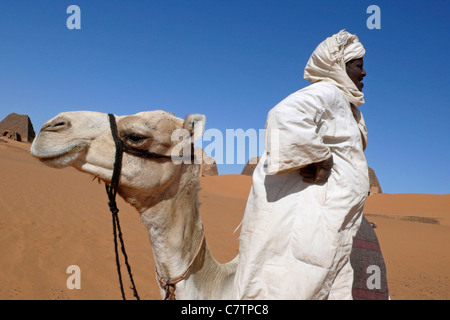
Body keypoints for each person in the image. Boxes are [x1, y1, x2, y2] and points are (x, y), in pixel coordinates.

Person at [233, 30, 370, 299]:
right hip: (307, 222)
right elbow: (284, 116)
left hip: (331, 221)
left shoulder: (344, 105)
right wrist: (320, 157)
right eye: (358, 65)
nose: (364, 73)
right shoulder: (327, 91)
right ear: (339, 66)